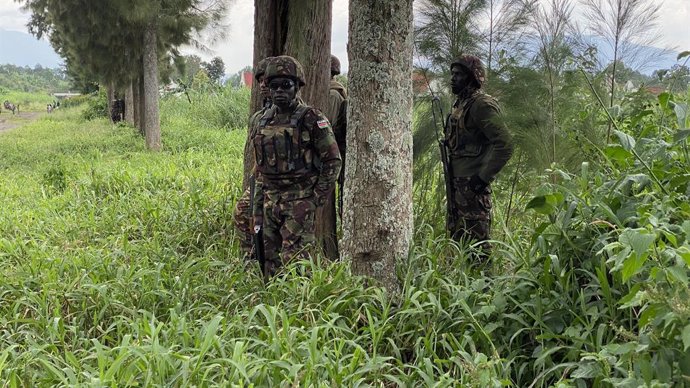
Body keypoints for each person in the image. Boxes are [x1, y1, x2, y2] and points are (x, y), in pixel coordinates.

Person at [253, 55, 342, 278]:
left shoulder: (311, 118)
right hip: (270, 200)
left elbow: (332, 161)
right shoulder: (262, 119)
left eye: (286, 85)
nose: (279, 91)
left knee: (297, 264)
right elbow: (260, 169)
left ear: (297, 87)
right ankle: (272, 306)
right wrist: (258, 207)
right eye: (274, 86)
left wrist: (314, 200)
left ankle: (301, 310)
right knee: (269, 265)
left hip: (299, 201)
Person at [444, 54, 513, 257]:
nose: (453, 78)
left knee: (479, 251)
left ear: (472, 77)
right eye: (452, 74)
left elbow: (505, 144)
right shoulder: (461, 105)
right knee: (460, 246)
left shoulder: (481, 105)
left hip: (473, 188)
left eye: (459, 74)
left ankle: (486, 288)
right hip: (458, 186)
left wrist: (481, 179)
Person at [233, 57, 274, 260]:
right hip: (261, 178)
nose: (263, 85)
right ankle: (251, 258)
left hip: (286, 183)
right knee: (243, 213)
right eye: (259, 81)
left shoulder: (298, 112)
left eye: (267, 80)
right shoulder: (260, 116)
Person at [316, 54, 348, 261]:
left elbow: (327, 127)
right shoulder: (333, 91)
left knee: (341, 207)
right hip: (335, 154)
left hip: (334, 155)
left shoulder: (332, 94)